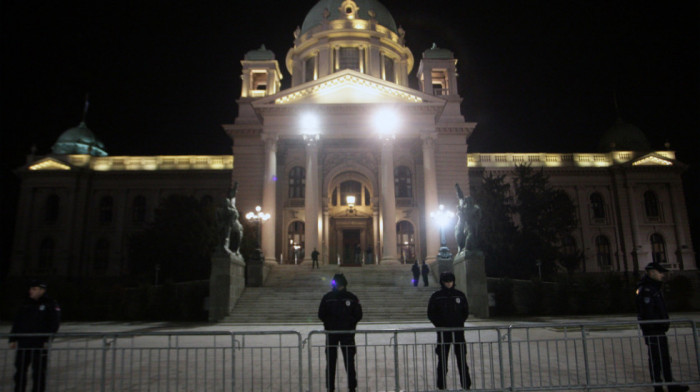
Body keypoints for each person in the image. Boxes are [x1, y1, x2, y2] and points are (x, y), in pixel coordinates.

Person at [635, 262, 689, 392]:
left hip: (658, 330)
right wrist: (655, 326)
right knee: (656, 359)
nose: (662, 275)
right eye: (660, 272)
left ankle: (670, 384)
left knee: (664, 358)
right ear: (651, 272)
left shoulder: (654, 288)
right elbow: (647, 312)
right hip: (653, 330)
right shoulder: (647, 289)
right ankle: (658, 386)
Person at [9, 280, 61, 392]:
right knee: (20, 371)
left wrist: (48, 339)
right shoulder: (25, 303)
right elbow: (17, 321)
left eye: (34, 289)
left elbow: (54, 323)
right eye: (30, 289)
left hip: (39, 344)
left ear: (42, 290)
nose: (31, 291)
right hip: (24, 343)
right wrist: (13, 338)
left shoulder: (50, 303)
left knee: (39, 372)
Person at [318, 273, 363, 392]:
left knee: (331, 362)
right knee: (349, 362)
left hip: (332, 333)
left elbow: (321, 314)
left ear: (335, 284)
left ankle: (330, 387)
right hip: (347, 334)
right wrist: (350, 323)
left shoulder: (327, 297)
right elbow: (358, 314)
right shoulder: (352, 297)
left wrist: (328, 324)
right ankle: (352, 387)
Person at [428, 272, 471, 390]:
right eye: (447, 281)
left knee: (462, 361)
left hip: (458, 333)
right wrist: (440, 325)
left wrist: (458, 323)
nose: (449, 283)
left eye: (451, 281)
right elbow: (431, 314)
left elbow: (465, 312)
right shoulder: (436, 296)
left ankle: (466, 385)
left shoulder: (460, 295)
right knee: (442, 361)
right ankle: (441, 385)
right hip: (443, 333)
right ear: (442, 282)